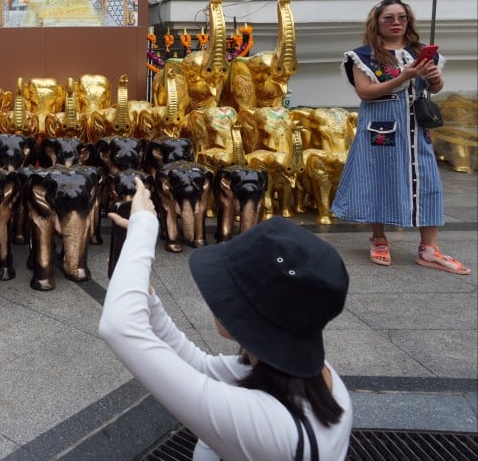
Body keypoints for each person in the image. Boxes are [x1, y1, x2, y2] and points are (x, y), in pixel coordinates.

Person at [100, 184, 352, 460]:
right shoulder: (312, 376)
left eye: (229, 286)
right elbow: (198, 366)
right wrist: (147, 295)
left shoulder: (270, 429)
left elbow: (119, 327)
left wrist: (144, 229)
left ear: (251, 312)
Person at [331, 0, 469, 274]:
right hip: (382, 126)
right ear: (377, 22)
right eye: (389, 18)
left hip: (416, 129)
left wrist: (432, 76)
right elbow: (365, 92)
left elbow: (436, 88)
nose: (396, 23)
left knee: (428, 180)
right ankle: (379, 238)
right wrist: (402, 77)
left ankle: (429, 249)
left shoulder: (419, 52)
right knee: (381, 179)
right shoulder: (363, 56)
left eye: (402, 17)